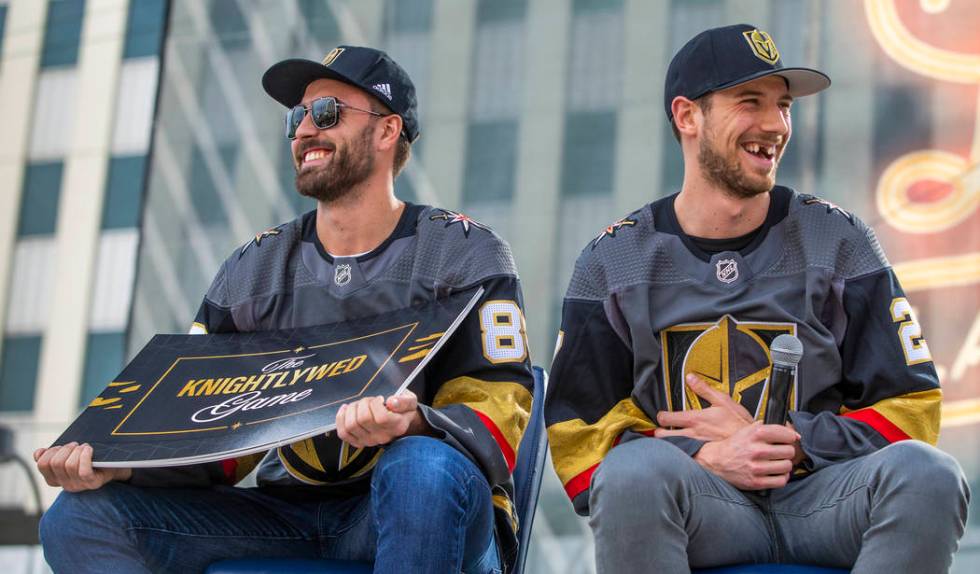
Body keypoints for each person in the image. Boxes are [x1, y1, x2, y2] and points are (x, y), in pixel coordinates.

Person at [35, 46, 533, 574]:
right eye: (298, 117)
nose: (303, 132)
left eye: (327, 114)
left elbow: (504, 395)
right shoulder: (253, 268)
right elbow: (206, 434)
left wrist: (418, 424)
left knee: (420, 469)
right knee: (78, 517)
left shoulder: (463, 251)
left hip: (428, 510)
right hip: (283, 516)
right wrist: (120, 466)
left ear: (388, 131)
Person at [545, 23, 969, 573]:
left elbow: (912, 409)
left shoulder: (837, 240)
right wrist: (704, 454)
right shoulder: (614, 259)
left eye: (784, 105)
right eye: (750, 102)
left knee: (929, 475)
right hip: (701, 508)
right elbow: (578, 435)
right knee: (632, 476)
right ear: (687, 116)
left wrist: (793, 442)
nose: (775, 125)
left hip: (824, 502)